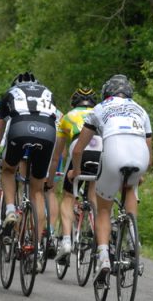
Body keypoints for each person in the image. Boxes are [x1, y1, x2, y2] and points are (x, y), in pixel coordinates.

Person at [67, 75, 152, 281]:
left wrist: (76, 171)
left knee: (103, 208)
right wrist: (140, 174)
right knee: (130, 188)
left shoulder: (99, 108)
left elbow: (78, 149)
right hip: (140, 154)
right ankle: (132, 234)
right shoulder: (141, 109)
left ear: (106, 94)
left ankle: (104, 256)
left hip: (114, 151)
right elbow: (150, 148)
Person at [0, 72, 58, 271]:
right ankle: (36, 248)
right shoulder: (48, 94)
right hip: (48, 133)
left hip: (20, 128)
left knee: (8, 171)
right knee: (37, 190)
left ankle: (10, 211)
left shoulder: (9, 95)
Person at [48, 87, 101, 262]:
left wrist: (51, 178)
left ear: (74, 103)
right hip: (102, 149)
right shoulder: (100, 112)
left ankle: (66, 241)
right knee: (93, 192)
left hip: (80, 149)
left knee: (68, 197)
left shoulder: (67, 117)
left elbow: (58, 156)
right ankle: (98, 234)